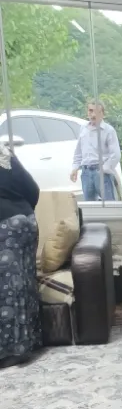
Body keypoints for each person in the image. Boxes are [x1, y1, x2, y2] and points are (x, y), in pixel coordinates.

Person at [0, 144, 42, 368]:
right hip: (26, 222)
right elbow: (33, 189)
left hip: (4, 227)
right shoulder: (5, 153)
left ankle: (12, 351)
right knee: (24, 283)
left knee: (7, 291)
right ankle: (30, 341)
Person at [70, 100, 121, 201]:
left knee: (109, 205)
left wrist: (104, 169)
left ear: (103, 114)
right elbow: (79, 151)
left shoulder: (108, 130)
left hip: (101, 173)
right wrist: (75, 168)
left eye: (97, 112)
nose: (93, 115)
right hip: (86, 172)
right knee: (89, 206)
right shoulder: (83, 128)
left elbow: (115, 154)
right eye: (90, 111)